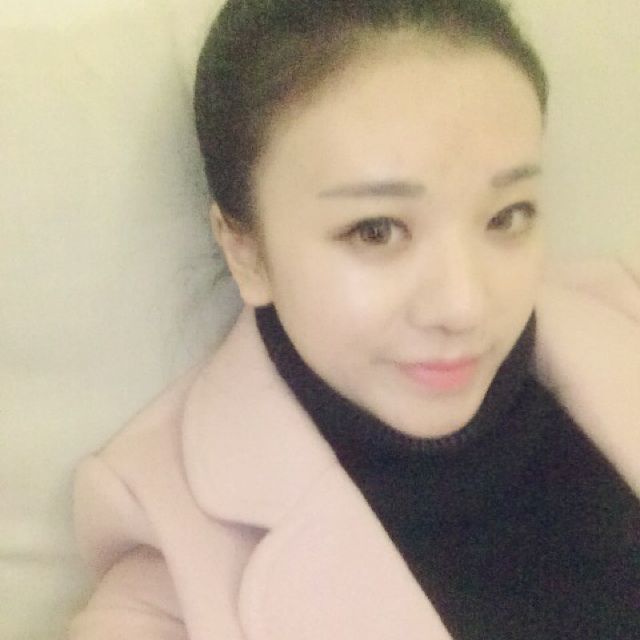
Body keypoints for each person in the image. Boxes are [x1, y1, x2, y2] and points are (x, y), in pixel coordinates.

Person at [69, 1, 640, 638]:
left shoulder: (624, 311)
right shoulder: (168, 559)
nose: (464, 307)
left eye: (507, 216)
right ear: (245, 252)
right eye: (376, 230)